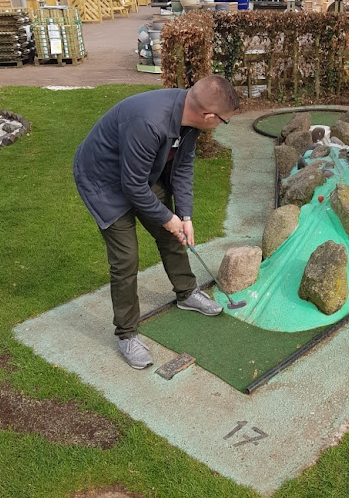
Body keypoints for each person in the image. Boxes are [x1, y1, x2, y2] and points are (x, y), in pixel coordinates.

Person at [73, 74, 239, 369]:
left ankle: (187, 293)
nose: (220, 125)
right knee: (126, 259)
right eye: (224, 121)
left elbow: (183, 166)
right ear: (209, 115)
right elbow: (132, 187)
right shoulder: (149, 121)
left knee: (171, 235)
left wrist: (183, 217)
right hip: (103, 183)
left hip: (138, 177)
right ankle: (126, 335)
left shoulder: (189, 119)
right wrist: (167, 217)